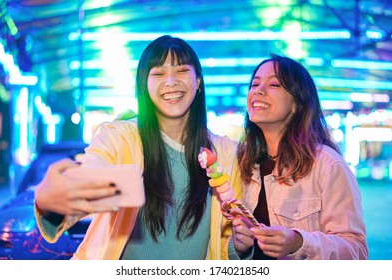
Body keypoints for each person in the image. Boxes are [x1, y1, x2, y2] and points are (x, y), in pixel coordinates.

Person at [34, 35, 244, 260]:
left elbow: (225, 239)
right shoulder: (119, 138)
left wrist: (240, 247)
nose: (171, 81)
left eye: (182, 71)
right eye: (158, 73)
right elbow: (91, 170)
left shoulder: (226, 154)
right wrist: (51, 200)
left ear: (198, 81)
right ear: (144, 84)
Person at [233, 53, 369, 260]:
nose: (258, 91)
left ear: (297, 104)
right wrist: (239, 248)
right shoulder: (242, 164)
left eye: (274, 85)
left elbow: (356, 251)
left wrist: (299, 243)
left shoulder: (327, 165)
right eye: (254, 84)